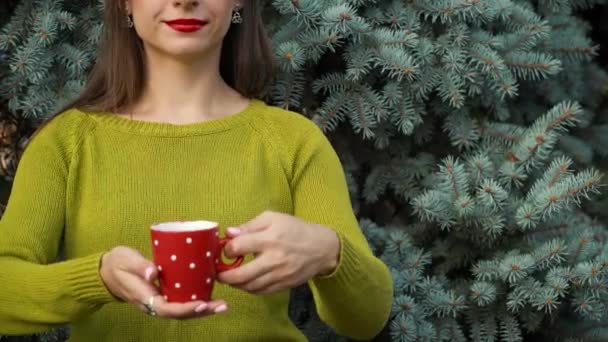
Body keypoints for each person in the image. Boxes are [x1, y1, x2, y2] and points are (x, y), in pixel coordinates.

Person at [0, 0, 393, 341]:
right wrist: (97, 279)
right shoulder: (66, 142)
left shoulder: (293, 141)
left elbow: (367, 317)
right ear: (124, 4)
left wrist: (329, 253)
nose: (185, 1)